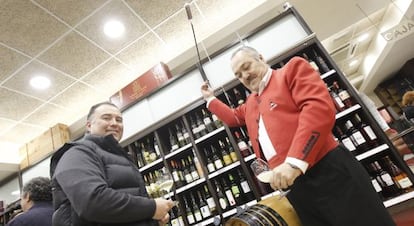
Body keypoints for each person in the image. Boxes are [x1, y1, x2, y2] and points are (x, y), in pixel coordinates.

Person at [201, 46, 396, 226]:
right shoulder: (251, 102)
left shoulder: (291, 70)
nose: (245, 75)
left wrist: (294, 162)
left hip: (328, 171)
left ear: (261, 58)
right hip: (295, 188)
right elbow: (234, 117)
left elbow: (318, 109)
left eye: (247, 66)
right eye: (238, 75)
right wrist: (210, 99)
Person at [50, 101, 174, 226]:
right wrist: (151, 208)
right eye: (106, 118)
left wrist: (152, 220)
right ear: (89, 125)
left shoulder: (119, 157)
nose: (114, 123)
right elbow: (93, 203)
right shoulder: (76, 154)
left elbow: (120, 215)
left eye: (119, 120)